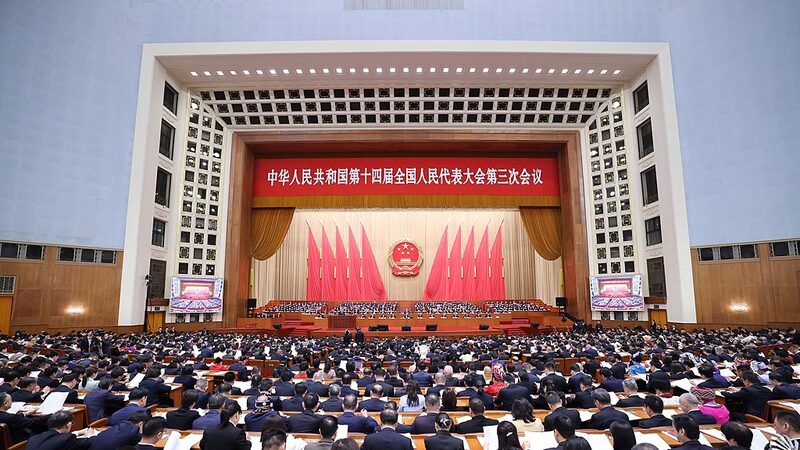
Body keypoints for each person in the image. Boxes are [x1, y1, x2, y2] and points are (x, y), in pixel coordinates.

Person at [24, 410, 95, 450]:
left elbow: (57, 438)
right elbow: (88, 443)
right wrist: (89, 436)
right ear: (68, 424)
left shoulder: (34, 438)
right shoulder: (67, 439)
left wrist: (78, 432)